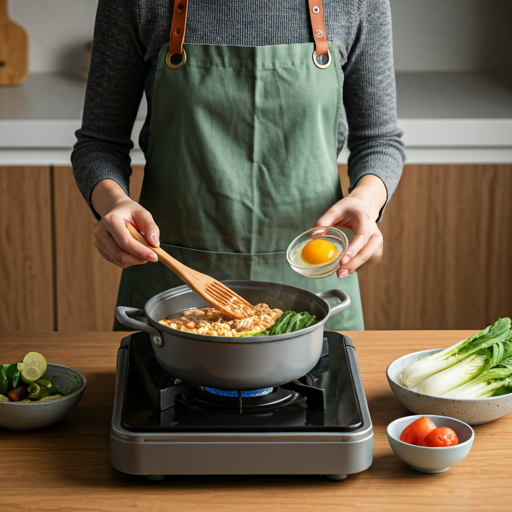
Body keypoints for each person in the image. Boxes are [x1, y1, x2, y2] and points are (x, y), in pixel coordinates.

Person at [72, 0, 405, 331]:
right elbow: (99, 144)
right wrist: (113, 204)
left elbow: (379, 141)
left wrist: (365, 201)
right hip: (172, 283)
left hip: (314, 283)